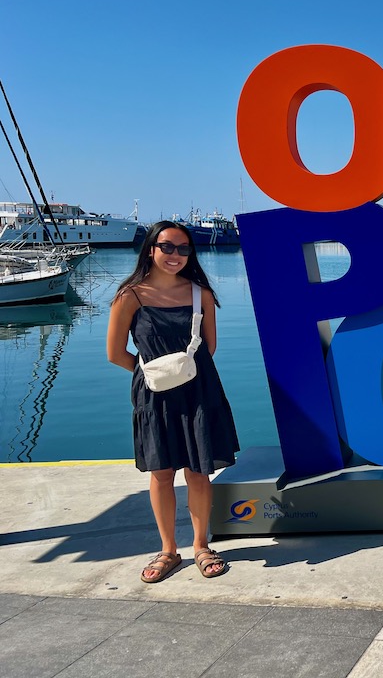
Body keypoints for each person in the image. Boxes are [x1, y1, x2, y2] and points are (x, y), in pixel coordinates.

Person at [107, 220, 239, 581]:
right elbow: (115, 353)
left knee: (199, 470)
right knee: (161, 472)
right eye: (167, 247)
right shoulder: (129, 295)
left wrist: (181, 371)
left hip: (199, 391)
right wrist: (154, 373)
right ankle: (168, 551)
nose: (175, 255)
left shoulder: (201, 294)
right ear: (150, 249)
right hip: (153, 395)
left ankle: (200, 546)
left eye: (183, 249)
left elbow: (209, 347)